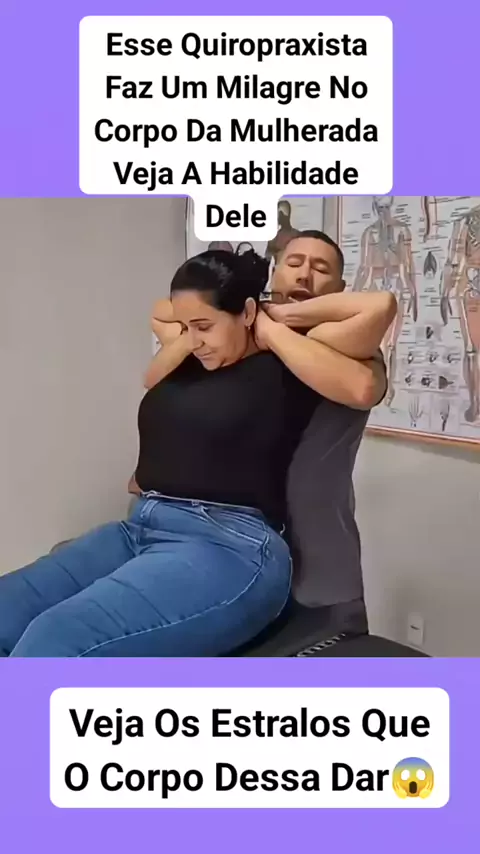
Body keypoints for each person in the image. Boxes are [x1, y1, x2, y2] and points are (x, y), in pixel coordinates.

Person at [0, 247, 382, 659]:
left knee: (55, 640)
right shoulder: (193, 349)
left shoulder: (297, 354)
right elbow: (164, 310)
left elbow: (378, 308)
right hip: (141, 525)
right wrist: (198, 326)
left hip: (227, 542)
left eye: (203, 326)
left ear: (247, 312)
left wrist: (273, 322)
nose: (194, 338)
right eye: (188, 326)